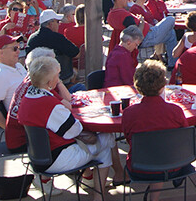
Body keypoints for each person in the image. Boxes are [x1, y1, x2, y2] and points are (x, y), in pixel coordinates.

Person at [18, 56, 124, 194]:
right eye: (57, 76)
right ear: (50, 81)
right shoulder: (49, 104)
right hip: (57, 159)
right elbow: (74, 131)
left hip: (37, 157)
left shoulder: (27, 99)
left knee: (100, 142)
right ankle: (100, 193)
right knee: (106, 138)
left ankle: (90, 177)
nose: (59, 79)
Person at [122, 60, 191, 201]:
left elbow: (128, 137)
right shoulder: (175, 111)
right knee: (161, 150)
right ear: (162, 85)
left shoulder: (129, 113)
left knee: (153, 151)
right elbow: (185, 136)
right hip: (173, 166)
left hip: (140, 167)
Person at [5, 47, 72, 153]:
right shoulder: (39, 86)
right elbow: (67, 103)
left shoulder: (31, 80)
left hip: (17, 138)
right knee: (80, 136)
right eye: (52, 63)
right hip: (25, 142)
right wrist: (57, 80)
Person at [26, 9, 80, 85]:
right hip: (59, 80)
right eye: (57, 22)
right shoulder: (57, 38)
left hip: (35, 80)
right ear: (50, 24)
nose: (59, 24)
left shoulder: (32, 38)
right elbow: (76, 53)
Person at [129, 0, 179, 68]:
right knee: (171, 19)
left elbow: (152, 19)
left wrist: (156, 23)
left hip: (153, 31)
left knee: (171, 33)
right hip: (146, 35)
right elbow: (137, 24)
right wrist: (152, 26)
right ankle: (169, 60)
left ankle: (172, 64)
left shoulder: (145, 7)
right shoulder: (134, 9)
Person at [0, 35, 26, 130]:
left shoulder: (18, 66)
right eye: (14, 49)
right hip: (24, 120)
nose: (18, 51)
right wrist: (9, 130)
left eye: (19, 47)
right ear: (1, 52)